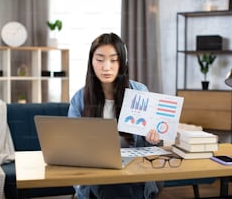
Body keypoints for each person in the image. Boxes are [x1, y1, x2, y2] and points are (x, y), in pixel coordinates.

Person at [68, 32, 162, 199]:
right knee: (110, 187)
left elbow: (150, 147)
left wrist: (154, 138)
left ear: (123, 62)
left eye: (114, 60)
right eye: (100, 59)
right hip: (96, 175)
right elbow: (72, 145)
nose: (106, 67)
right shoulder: (79, 99)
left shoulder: (139, 92)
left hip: (134, 173)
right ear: (91, 62)